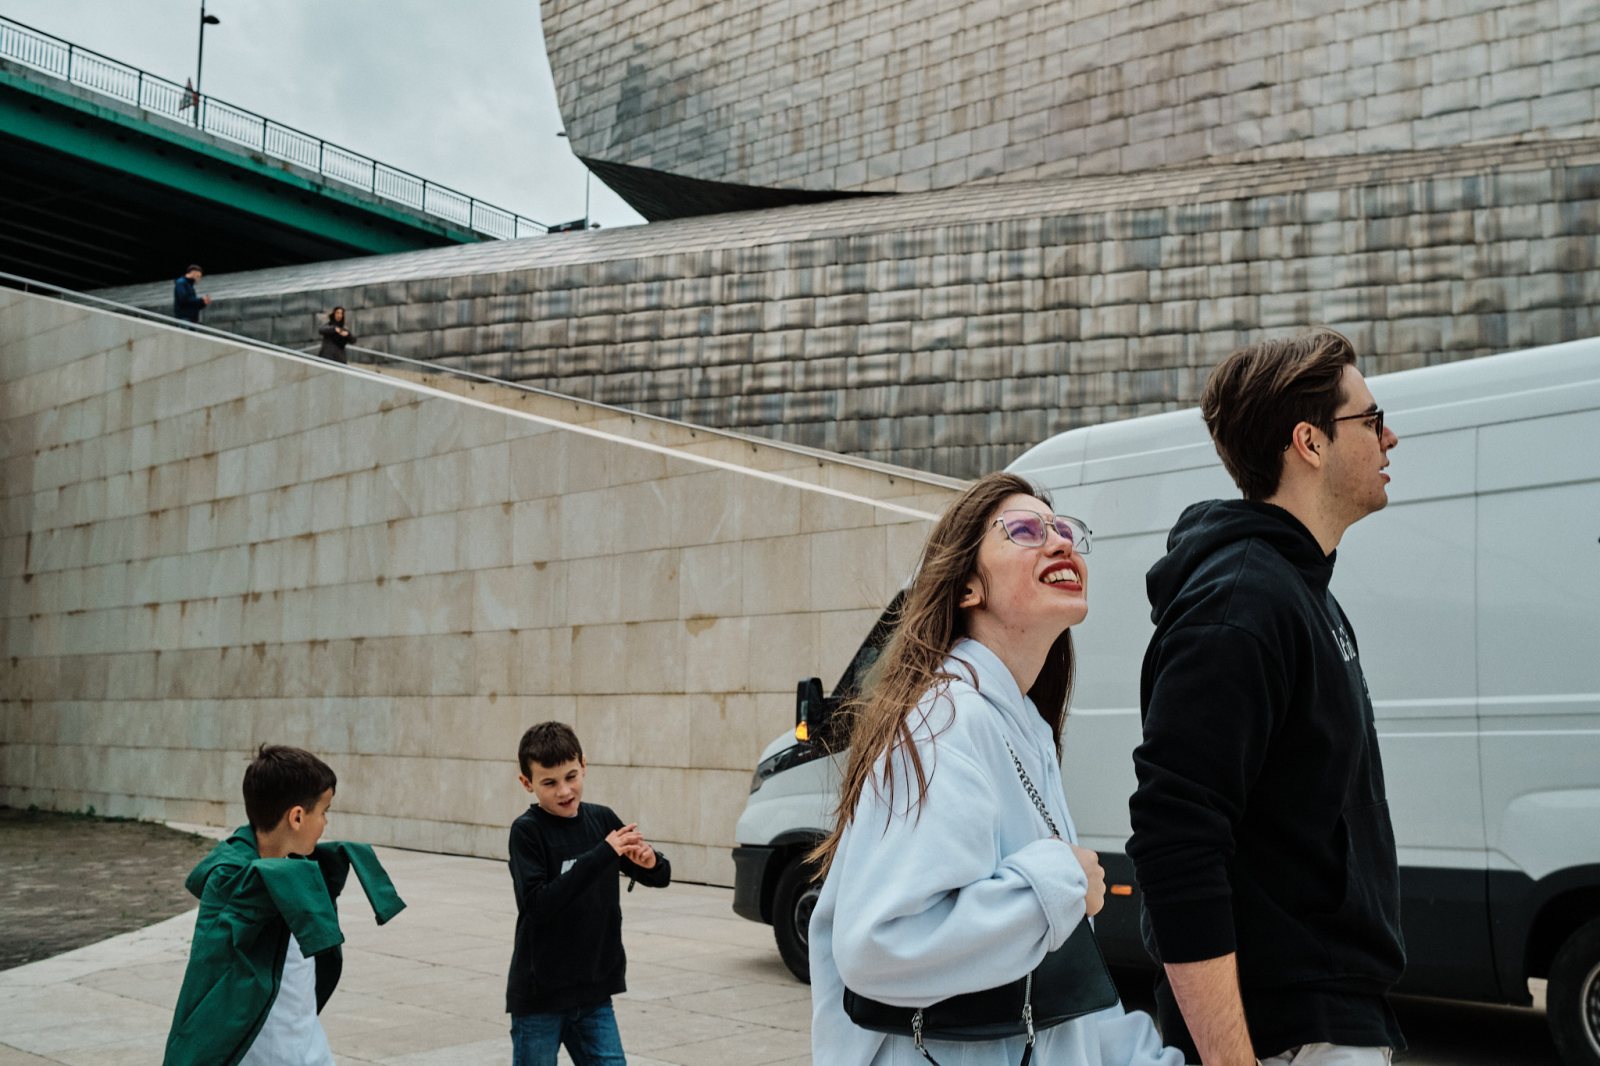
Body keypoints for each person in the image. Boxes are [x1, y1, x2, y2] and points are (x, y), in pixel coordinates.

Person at [809, 471, 1182, 1066]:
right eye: (1026, 531)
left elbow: (1064, 977)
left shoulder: (1019, 726)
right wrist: (1054, 886)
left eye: (1063, 530)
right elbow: (879, 943)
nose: (1060, 542)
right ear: (966, 589)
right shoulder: (943, 720)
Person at [1127, 329, 1405, 1066]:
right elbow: (1175, 845)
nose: (1391, 438)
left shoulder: (1300, 593)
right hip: (1285, 1035)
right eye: (1372, 421)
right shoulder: (1242, 606)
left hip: (1328, 1018)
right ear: (1309, 442)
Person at [163, 745, 405, 1066]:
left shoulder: (292, 873)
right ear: (297, 816)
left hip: (306, 1043)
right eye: (324, 811)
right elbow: (214, 971)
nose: (325, 823)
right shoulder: (236, 881)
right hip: (260, 1052)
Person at [506, 721, 671, 1066]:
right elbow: (538, 905)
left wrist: (650, 861)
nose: (564, 791)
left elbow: (659, 876)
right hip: (541, 998)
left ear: (584, 765)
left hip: (594, 992)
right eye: (549, 783)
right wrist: (602, 854)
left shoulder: (601, 819)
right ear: (527, 783)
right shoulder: (527, 832)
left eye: (571, 776)